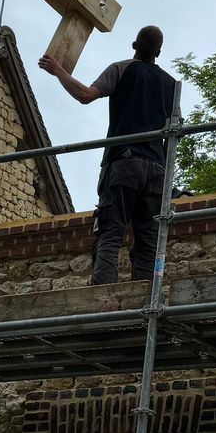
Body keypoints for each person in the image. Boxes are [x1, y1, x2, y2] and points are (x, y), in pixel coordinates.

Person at [39, 25, 177, 285]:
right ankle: (145, 299)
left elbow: (85, 95)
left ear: (134, 45)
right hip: (157, 171)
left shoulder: (122, 69)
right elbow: (174, 135)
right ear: (158, 52)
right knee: (148, 240)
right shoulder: (171, 85)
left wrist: (58, 70)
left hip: (125, 163)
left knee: (111, 233)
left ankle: (103, 297)